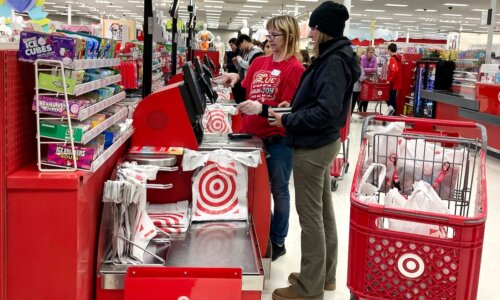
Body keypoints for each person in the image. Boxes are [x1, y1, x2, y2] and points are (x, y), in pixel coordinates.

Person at [268, 1, 360, 299]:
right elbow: (322, 103)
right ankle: (324, 275)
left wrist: (290, 118)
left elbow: (326, 112)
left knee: (310, 219)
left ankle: (310, 287)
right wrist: (293, 106)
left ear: (323, 30)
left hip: (313, 146)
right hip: (323, 142)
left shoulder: (333, 61)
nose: (309, 31)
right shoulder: (335, 56)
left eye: (313, 26)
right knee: (323, 215)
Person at [217, 15, 305, 262]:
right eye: (268, 35)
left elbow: (289, 111)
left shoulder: (295, 69)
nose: (270, 40)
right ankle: (256, 233)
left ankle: (277, 240)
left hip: (277, 141)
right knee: (254, 189)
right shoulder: (259, 62)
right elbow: (247, 88)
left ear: (289, 36)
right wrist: (234, 80)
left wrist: (262, 109)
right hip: (251, 138)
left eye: (274, 35)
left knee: (279, 191)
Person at [359, 46, 377, 112]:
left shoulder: (374, 58)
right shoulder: (362, 58)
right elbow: (362, 69)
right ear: (367, 52)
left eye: (373, 52)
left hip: (369, 79)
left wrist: (370, 70)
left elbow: (375, 69)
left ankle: (365, 110)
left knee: (368, 94)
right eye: (370, 52)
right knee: (361, 94)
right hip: (362, 78)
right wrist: (371, 69)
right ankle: (360, 109)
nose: (372, 54)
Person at [387, 43, 402, 115]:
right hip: (397, 82)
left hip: (393, 83)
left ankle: (393, 113)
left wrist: (389, 80)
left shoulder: (393, 59)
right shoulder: (399, 58)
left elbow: (395, 71)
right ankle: (394, 113)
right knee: (393, 98)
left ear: (389, 50)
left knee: (390, 98)